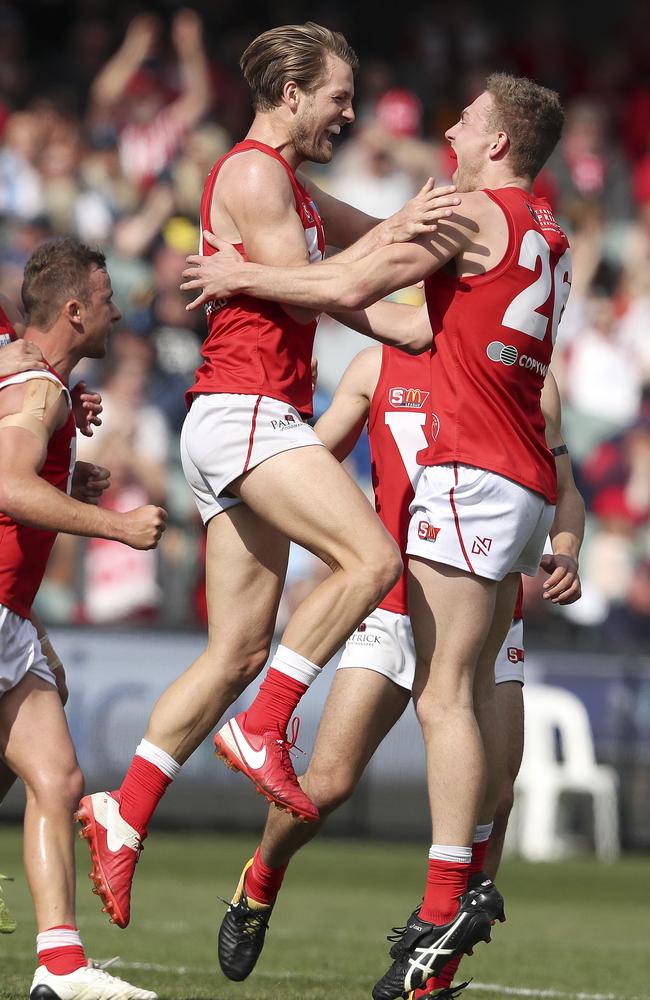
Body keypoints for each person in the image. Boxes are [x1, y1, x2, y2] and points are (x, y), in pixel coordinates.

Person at [180, 72, 570, 997]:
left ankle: (445, 908)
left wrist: (242, 273)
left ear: (500, 143)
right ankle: (346, 889)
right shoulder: (534, 236)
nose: (451, 127)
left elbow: (357, 277)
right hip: (496, 498)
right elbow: (382, 293)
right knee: (356, 767)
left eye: (467, 118)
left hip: (466, 493)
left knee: (449, 711)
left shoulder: (472, 218)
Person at [76, 21, 459, 932]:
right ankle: (268, 723)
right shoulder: (253, 173)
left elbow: (387, 291)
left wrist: (449, 266)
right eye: (337, 94)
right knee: (372, 563)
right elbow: (326, 287)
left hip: (240, 421)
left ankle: (122, 812)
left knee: (237, 649)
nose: (350, 111)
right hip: (248, 412)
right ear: (291, 94)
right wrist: (390, 238)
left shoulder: (295, 185)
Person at [216, 346, 584, 998]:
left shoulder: (523, 369)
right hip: (390, 607)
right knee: (325, 785)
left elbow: (566, 488)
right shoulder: (374, 365)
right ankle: (260, 880)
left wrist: (565, 548)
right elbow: (310, 459)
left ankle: (433, 966)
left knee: (496, 800)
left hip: (485, 608)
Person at [0, 237, 167, 1000]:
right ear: (74, 311)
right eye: (105, 301)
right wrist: (117, 527)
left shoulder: (31, 379)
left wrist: (70, 475)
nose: (118, 309)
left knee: (57, 778)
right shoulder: (42, 389)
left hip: (9, 618)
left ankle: (61, 968)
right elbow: (8, 484)